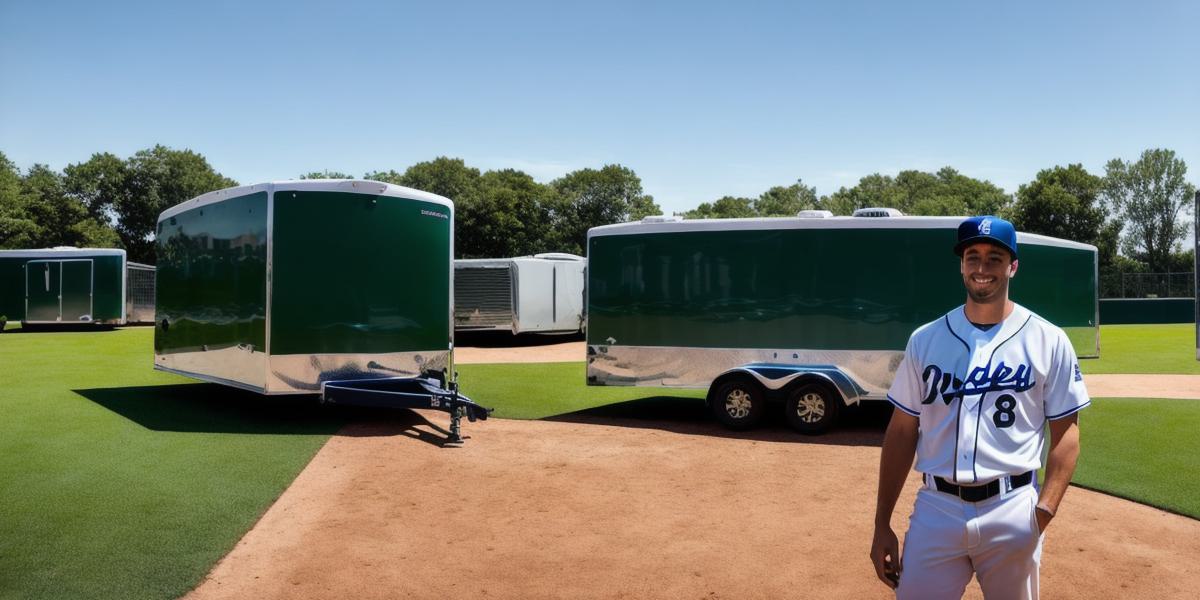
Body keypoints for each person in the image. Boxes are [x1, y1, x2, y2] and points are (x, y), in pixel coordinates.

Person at [869, 215, 1090, 599]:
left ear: (1013, 266)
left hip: (1012, 508)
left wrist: (1042, 514)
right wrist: (881, 522)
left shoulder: (1048, 339)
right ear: (961, 265)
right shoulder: (926, 340)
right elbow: (902, 431)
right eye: (973, 256)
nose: (982, 268)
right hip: (937, 508)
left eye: (994, 258)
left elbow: (1066, 434)